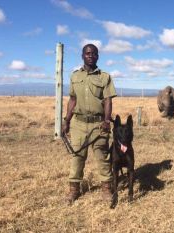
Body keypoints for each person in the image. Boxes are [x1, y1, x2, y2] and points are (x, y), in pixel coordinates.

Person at [62, 44, 117, 205]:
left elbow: (108, 100)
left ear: (98, 56)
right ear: (82, 56)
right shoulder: (74, 76)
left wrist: (107, 120)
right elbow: (72, 100)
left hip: (98, 124)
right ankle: (74, 190)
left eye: (94, 53)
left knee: (102, 156)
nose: (90, 55)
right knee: (77, 156)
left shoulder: (105, 77)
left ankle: (106, 189)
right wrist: (66, 120)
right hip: (78, 123)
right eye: (87, 53)